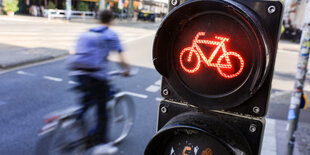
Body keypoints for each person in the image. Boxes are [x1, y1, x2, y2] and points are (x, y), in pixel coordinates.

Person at [67, 9, 130, 153]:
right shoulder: (111, 34)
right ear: (111, 20)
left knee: (87, 101)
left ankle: (76, 121)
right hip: (96, 76)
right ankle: (101, 145)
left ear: (98, 19)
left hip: (79, 73)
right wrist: (126, 70)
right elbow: (121, 57)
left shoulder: (90, 31)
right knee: (102, 111)